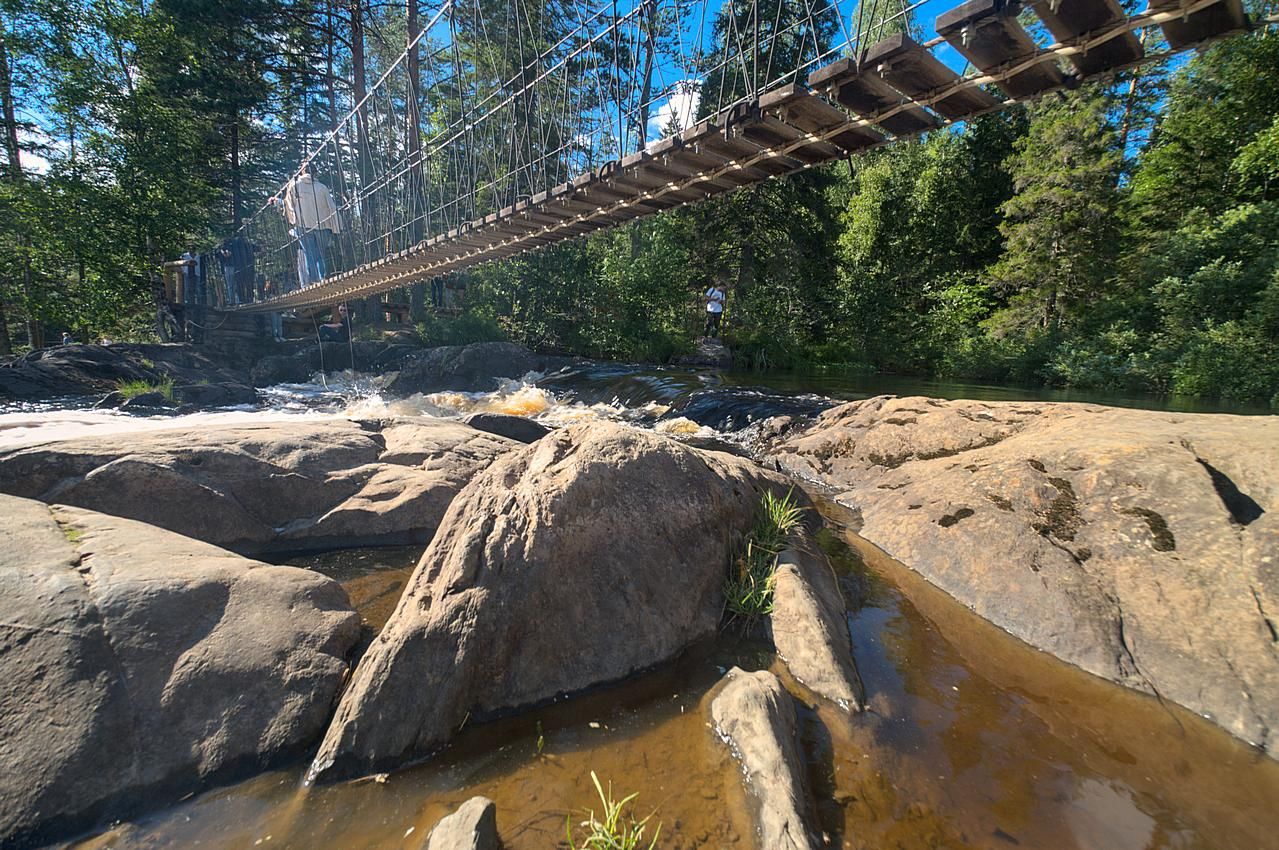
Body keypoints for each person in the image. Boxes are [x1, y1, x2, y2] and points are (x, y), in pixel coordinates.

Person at [271, 168, 342, 286]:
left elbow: (288, 205)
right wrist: (337, 225)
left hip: (303, 226)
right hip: (323, 226)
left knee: (309, 254)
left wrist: (277, 201)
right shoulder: (322, 188)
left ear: (302, 172)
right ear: (315, 173)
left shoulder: (294, 185)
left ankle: (314, 281)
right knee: (320, 254)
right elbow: (332, 207)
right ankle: (322, 278)